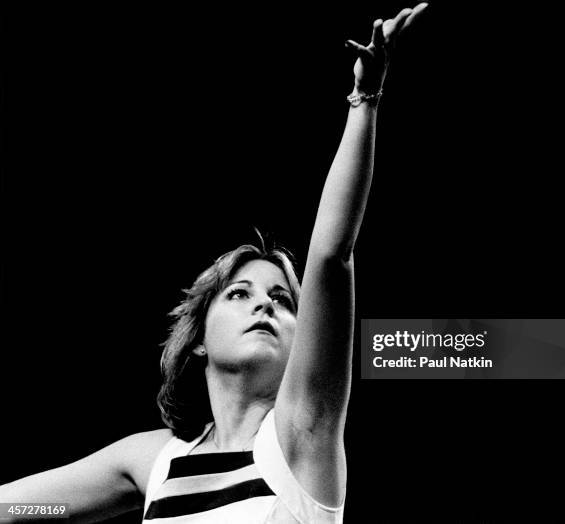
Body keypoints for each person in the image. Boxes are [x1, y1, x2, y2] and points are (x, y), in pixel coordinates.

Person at [0, 4, 429, 523]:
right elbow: (20, 504)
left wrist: (364, 101)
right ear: (199, 337)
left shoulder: (300, 435)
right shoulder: (155, 459)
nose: (264, 306)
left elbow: (331, 259)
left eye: (283, 299)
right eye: (240, 293)